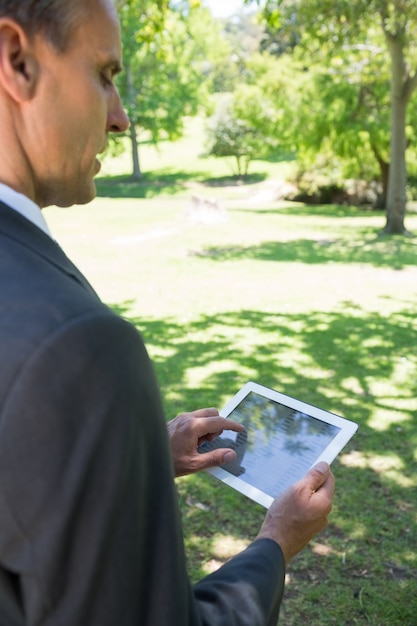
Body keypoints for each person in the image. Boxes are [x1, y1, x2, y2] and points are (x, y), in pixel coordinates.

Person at [0, 1, 335, 624]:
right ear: (16, 60)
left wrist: (133, 457)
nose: (121, 117)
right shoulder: (78, 344)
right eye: (104, 74)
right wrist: (275, 544)